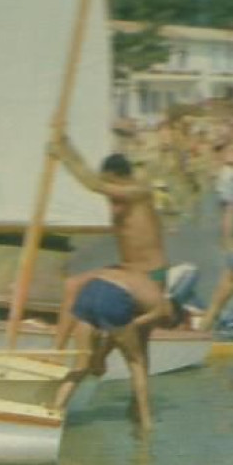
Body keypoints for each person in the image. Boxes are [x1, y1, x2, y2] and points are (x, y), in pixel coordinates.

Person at [50, 129, 170, 346]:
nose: (110, 199)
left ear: (122, 179)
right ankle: (61, 350)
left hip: (150, 275)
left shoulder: (138, 192)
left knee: (72, 285)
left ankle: (57, 352)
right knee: (74, 287)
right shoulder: (119, 192)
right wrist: (66, 144)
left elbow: (93, 184)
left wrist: (62, 155)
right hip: (126, 271)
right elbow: (92, 177)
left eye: (112, 185)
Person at [50, 265, 190, 432]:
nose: (159, 326)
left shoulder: (146, 288)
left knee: (82, 364)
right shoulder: (162, 309)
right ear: (172, 316)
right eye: (165, 325)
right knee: (137, 363)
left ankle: (56, 408)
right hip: (113, 295)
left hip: (90, 289)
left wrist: (99, 357)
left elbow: (116, 331)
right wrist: (101, 357)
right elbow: (125, 328)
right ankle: (146, 423)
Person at [215, 146, 233, 249]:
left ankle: (222, 237)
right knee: (229, 217)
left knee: (222, 216)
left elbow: (217, 185)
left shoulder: (222, 170)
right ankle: (227, 239)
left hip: (221, 195)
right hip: (229, 196)